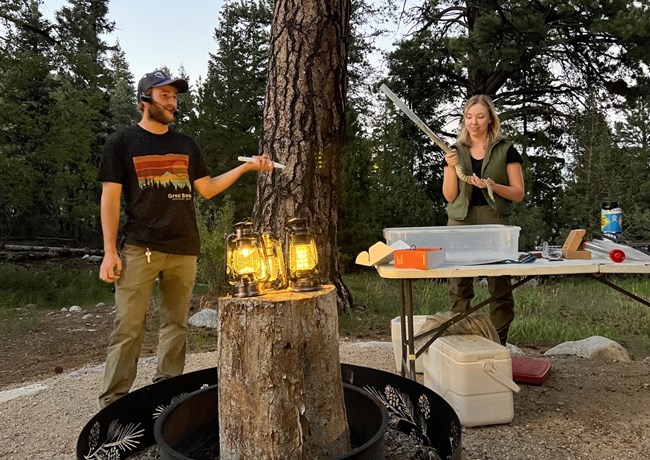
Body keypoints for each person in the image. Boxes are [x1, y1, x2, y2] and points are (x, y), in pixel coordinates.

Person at [97, 69, 274, 408]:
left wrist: (246, 168)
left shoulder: (185, 144)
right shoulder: (121, 143)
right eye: (164, 96)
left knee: (176, 325)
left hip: (183, 249)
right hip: (139, 248)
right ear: (144, 100)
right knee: (129, 330)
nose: (172, 102)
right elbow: (110, 199)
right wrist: (109, 252)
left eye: (174, 97)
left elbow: (206, 189)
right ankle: (114, 404)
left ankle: (167, 394)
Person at [442, 94, 525, 345]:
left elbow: (518, 193)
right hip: (460, 223)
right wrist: (449, 168)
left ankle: (497, 345)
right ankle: (463, 345)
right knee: (459, 288)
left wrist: (493, 185)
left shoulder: (506, 149)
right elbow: (450, 195)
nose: (473, 122)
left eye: (480, 116)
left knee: (499, 287)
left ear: (490, 119)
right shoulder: (454, 151)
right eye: (468, 117)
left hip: (494, 223)